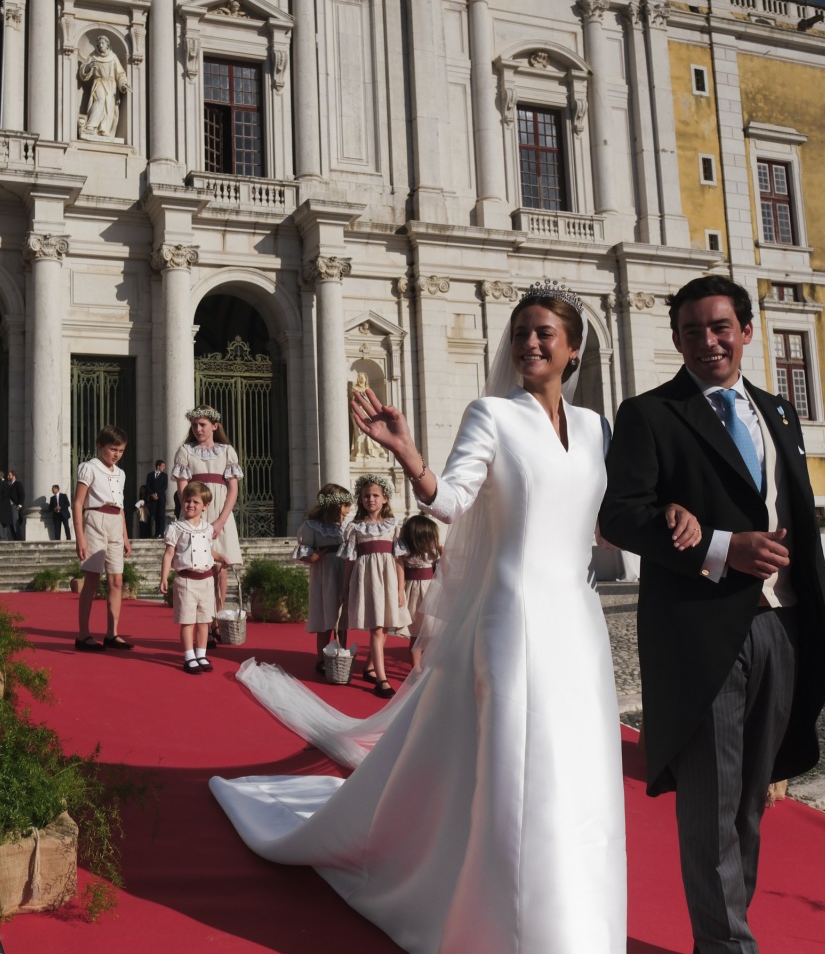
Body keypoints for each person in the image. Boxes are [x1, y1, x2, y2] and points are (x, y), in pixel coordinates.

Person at [209, 281, 638, 953]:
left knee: (581, 773)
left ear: (573, 348)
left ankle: (582, 928)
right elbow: (452, 500)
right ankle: (508, 929)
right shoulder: (491, 414)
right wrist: (407, 453)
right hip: (511, 616)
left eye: (543, 332)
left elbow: (606, 522)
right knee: (517, 775)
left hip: (578, 621)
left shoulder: (597, 428)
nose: (528, 342)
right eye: (520, 331)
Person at [599, 275, 825, 954]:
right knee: (711, 806)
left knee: (750, 804)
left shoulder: (779, 412)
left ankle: (727, 932)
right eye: (693, 330)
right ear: (675, 339)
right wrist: (722, 547)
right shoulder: (651, 414)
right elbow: (620, 513)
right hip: (700, 634)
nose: (707, 340)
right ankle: (727, 945)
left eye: (720, 326)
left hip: (779, 629)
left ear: (746, 331)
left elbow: (798, 521)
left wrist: (818, 621)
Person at [170, 406, 243, 635]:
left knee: (219, 567)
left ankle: (217, 619)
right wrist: (193, 515)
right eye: (194, 425)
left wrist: (221, 520)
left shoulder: (227, 451)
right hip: (195, 514)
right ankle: (201, 620)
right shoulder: (185, 451)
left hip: (221, 513)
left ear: (214, 426)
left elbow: (233, 488)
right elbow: (183, 487)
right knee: (199, 566)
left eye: (202, 424)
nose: (198, 429)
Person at [340, 475, 408, 699]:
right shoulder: (355, 527)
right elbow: (350, 560)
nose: (371, 499)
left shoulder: (394, 525)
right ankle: (382, 679)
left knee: (385, 626)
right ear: (361, 499)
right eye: (367, 496)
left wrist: (400, 589)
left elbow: (398, 560)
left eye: (376, 496)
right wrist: (346, 587)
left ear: (385, 499)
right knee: (377, 629)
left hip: (388, 580)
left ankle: (370, 667)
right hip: (367, 580)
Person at [72, 426, 135, 651]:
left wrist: (126, 536)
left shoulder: (121, 473)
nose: (116, 454)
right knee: (91, 580)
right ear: (100, 446)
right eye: (113, 449)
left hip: (115, 523)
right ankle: (83, 635)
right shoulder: (89, 468)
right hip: (95, 520)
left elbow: (121, 506)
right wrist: (80, 537)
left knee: (116, 581)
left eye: (121, 450)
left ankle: (112, 633)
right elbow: (78, 502)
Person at [160, 482, 228, 674]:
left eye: (195, 502)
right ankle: (189, 656)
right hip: (186, 581)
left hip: (206, 580)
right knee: (188, 620)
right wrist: (164, 577)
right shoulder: (176, 528)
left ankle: (201, 653)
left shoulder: (207, 529)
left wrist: (220, 557)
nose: (190, 505)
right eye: (187, 501)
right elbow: (168, 554)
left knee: (204, 620)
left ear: (205, 506)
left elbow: (207, 550)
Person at [294, 483, 353, 676]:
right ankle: (321, 657)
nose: (347, 510)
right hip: (325, 573)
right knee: (326, 614)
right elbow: (304, 553)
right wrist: (313, 557)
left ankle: (340, 653)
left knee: (343, 617)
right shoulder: (311, 526)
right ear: (333, 505)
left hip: (343, 571)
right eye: (344, 505)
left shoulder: (345, 526)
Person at [399, 514, 443, 663]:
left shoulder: (434, 554)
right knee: (416, 634)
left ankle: (428, 667)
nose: (434, 541)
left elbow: (447, 572)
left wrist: (445, 556)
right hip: (413, 595)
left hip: (431, 594)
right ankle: (416, 669)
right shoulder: (407, 555)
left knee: (432, 632)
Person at [145, 460, 169, 538]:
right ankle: (156, 533)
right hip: (153, 499)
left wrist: (157, 494)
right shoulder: (150, 475)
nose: (164, 468)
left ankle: (161, 533)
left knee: (161, 515)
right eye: (163, 466)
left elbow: (164, 487)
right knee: (154, 515)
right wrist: (152, 494)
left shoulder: (164, 475)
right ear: (158, 466)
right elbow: (148, 486)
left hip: (161, 498)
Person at [5, 469, 25, 541]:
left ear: (13, 476)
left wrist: (20, 505)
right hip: (9, 506)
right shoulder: (8, 484)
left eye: (9, 475)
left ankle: (19, 539)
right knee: (10, 523)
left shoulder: (18, 484)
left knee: (15, 523)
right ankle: (15, 539)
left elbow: (22, 495)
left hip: (15, 506)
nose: (7, 477)